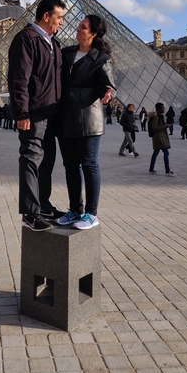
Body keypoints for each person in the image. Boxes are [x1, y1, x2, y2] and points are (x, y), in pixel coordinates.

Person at [8, 0, 65, 231]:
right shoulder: (26, 39)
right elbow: (18, 80)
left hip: (51, 112)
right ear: (46, 16)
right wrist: (22, 113)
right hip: (34, 112)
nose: (62, 22)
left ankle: (43, 205)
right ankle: (30, 213)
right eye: (59, 17)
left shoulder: (53, 42)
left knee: (47, 161)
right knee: (31, 158)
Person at [56, 15, 116, 230]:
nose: (78, 29)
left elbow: (108, 83)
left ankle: (91, 213)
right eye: (79, 26)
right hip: (66, 116)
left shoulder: (100, 58)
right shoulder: (66, 53)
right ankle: (75, 210)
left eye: (83, 27)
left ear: (93, 34)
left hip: (88, 118)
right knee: (70, 166)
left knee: (89, 165)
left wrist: (108, 92)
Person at [148, 103, 174, 176]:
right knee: (166, 153)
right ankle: (167, 171)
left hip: (160, 137)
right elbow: (155, 128)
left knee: (155, 153)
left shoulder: (160, 116)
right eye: (162, 108)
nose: (164, 109)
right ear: (158, 108)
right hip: (159, 138)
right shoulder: (156, 117)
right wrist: (165, 126)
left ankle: (151, 169)